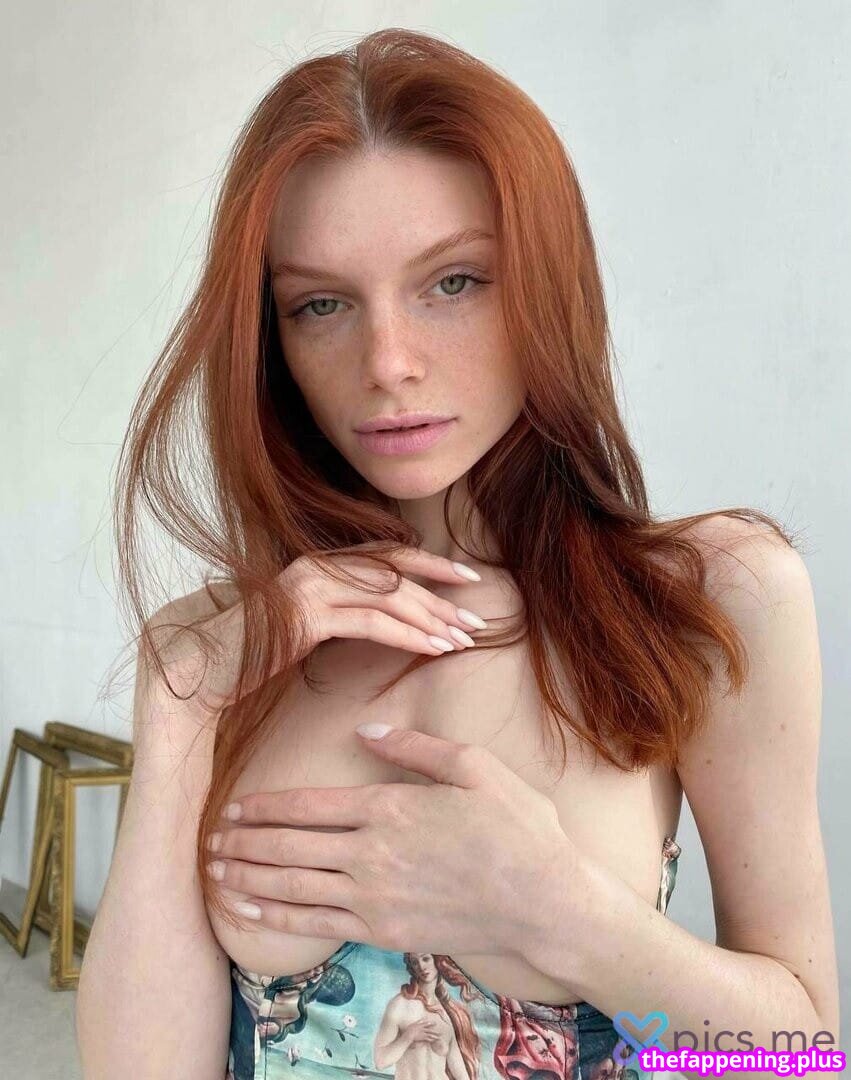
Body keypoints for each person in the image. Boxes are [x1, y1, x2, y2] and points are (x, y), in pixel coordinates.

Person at [75, 27, 840, 1080]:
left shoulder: (705, 599)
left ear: (543, 286)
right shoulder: (218, 647)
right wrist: (174, 720)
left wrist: (562, 914)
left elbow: (798, 1060)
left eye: (453, 282)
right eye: (320, 304)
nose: (387, 363)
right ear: (271, 340)